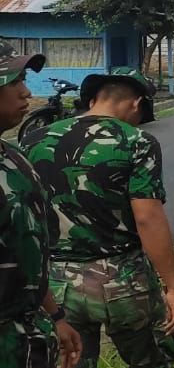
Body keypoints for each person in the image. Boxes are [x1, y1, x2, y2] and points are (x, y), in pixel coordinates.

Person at [23, 68, 174, 367]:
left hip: (58, 285)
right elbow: (148, 218)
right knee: (152, 359)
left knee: (72, 359)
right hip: (123, 281)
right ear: (136, 104)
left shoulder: (33, 141)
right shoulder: (137, 141)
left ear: (92, 99)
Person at [0, 43, 81, 368]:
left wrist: (55, 315)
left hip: (27, 338)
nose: (26, 92)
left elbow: (29, 253)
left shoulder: (15, 159)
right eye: (13, 81)